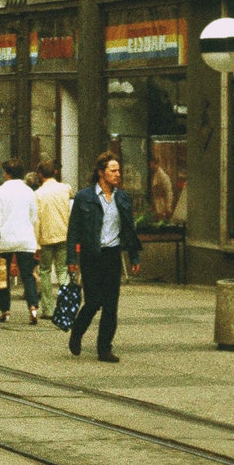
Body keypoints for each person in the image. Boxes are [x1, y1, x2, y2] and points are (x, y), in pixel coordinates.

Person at [66, 152, 142, 362]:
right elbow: (73, 230)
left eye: (119, 170)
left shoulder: (122, 197)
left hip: (112, 255)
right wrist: (72, 258)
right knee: (93, 302)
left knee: (111, 304)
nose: (118, 174)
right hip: (92, 256)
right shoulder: (85, 197)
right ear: (101, 172)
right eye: (113, 170)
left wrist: (134, 256)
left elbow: (129, 229)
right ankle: (77, 331)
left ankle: (104, 348)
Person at [0, 158, 40, 324]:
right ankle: (33, 307)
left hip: (4, 238)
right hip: (25, 238)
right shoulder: (29, 192)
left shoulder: (0, 191)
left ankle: (5, 310)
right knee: (27, 275)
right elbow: (34, 216)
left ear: (7, 174)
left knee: (3, 276)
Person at [33, 160, 72, 319]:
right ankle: (66, 307)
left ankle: (48, 309)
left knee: (45, 272)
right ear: (55, 172)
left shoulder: (38, 194)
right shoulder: (66, 189)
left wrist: (36, 244)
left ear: (40, 175)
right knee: (63, 270)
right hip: (64, 235)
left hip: (46, 238)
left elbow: (37, 220)